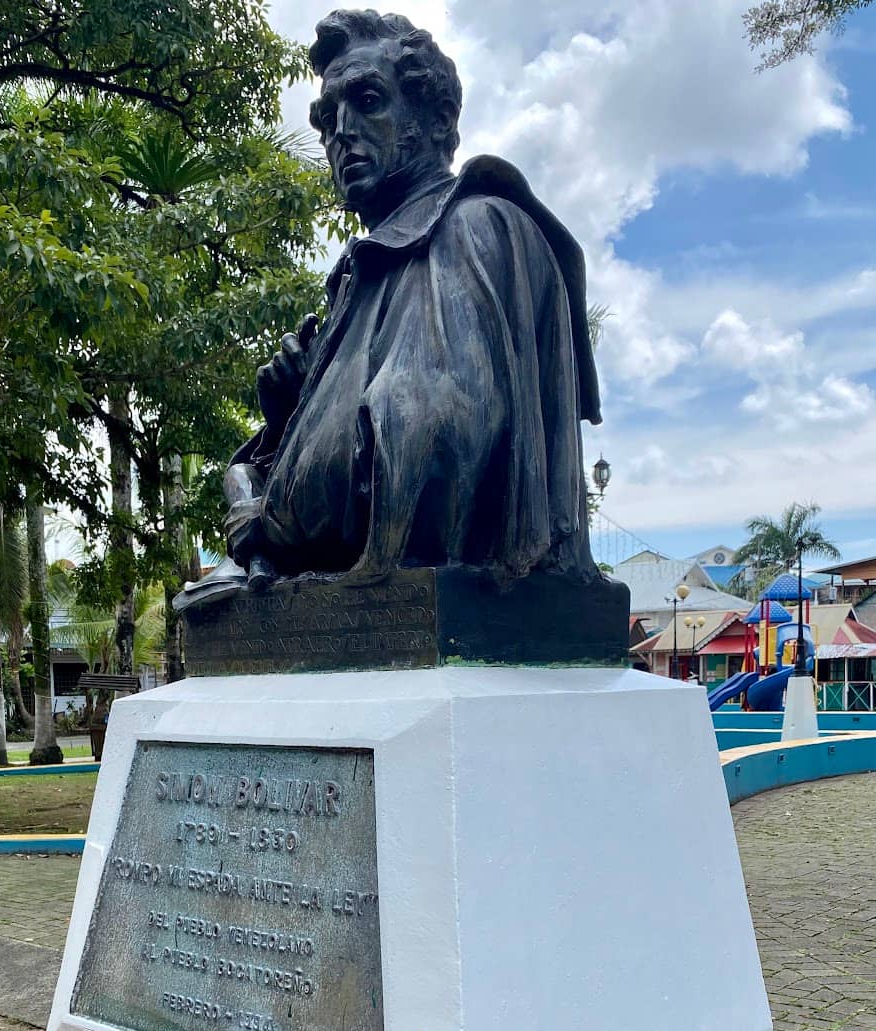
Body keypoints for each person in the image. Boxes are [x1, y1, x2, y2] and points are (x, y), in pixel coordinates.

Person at [177, 8, 603, 612]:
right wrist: (288, 416)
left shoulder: (473, 228)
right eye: (328, 118)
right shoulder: (374, 267)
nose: (341, 131)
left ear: (436, 120)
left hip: (433, 607)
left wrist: (267, 523)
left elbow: (429, 459)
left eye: (368, 101)